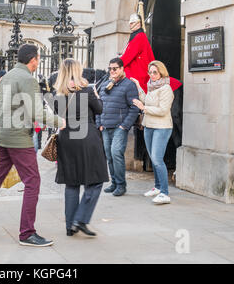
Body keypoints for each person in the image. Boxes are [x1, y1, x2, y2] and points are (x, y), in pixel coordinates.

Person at [0, 44, 65, 247]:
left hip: (4, 134)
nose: (39, 62)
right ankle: (27, 233)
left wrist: (3, 126)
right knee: (33, 181)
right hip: (19, 138)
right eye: (38, 58)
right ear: (33, 59)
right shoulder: (28, 80)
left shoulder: (9, 76)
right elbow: (37, 113)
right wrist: (60, 122)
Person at [53, 59, 109, 237]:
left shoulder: (58, 95)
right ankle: (81, 218)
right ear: (78, 72)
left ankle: (70, 226)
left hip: (67, 140)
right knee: (96, 179)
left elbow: (58, 116)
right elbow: (99, 109)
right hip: (87, 138)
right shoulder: (86, 91)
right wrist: (95, 94)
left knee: (72, 183)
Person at [131, 61, 174, 205]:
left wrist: (144, 108)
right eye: (150, 72)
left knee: (157, 158)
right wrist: (138, 86)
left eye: (155, 72)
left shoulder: (166, 88)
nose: (152, 75)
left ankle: (165, 193)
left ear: (161, 72)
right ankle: (157, 187)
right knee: (153, 158)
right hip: (148, 126)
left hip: (162, 127)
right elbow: (147, 102)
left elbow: (163, 110)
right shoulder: (151, 86)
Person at [97, 57, 139, 196]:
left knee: (116, 154)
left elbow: (134, 108)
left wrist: (124, 126)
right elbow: (99, 105)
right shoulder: (105, 84)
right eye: (110, 68)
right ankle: (114, 182)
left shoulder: (129, 85)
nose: (112, 71)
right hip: (105, 126)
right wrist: (100, 123)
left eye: (115, 68)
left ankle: (121, 185)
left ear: (122, 69)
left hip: (119, 127)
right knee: (109, 156)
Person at [120, 14, 155, 93]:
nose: (130, 25)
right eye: (130, 23)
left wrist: (117, 63)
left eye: (132, 23)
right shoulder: (136, 36)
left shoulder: (139, 37)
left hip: (139, 70)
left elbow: (128, 56)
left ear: (138, 23)